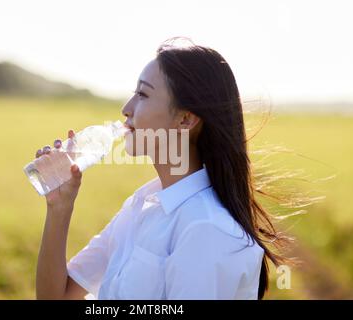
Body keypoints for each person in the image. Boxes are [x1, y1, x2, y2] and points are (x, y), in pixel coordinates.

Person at [35, 38, 288, 300]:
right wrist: (59, 208)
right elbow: (58, 296)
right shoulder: (142, 204)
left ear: (185, 119)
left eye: (143, 94)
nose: (126, 109)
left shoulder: (207, 230)